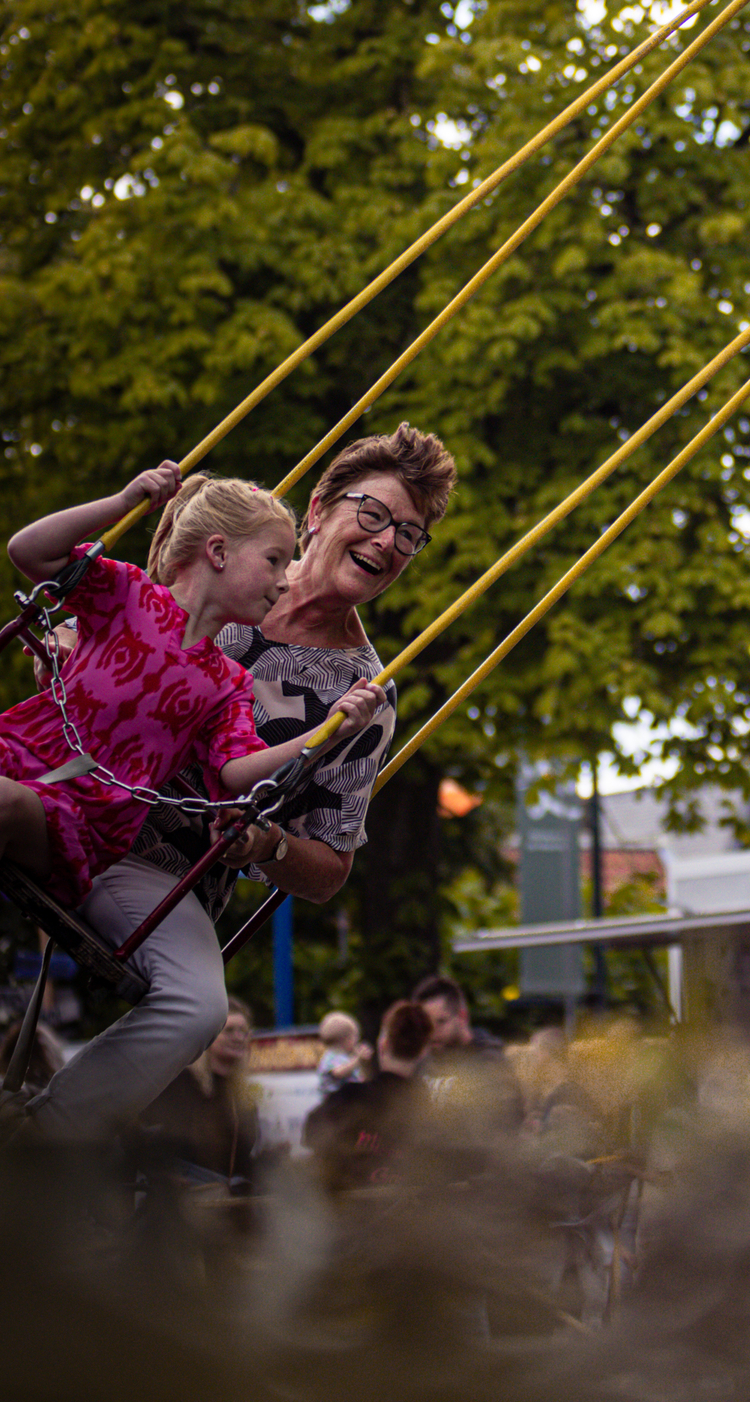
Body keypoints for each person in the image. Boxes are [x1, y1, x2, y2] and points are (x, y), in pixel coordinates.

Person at [28, 423, 456, 1142]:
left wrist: (264, 846)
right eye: (375, 515)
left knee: (196, 1009)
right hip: (74, 796)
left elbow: (329, 872)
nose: (388, 543)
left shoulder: (360, 698)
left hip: (165, 878)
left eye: (410, 535)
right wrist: (69, 661)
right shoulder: (230, 569)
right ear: (316, 509)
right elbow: (118, 634)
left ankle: (36, 1141)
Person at [1, 465, 383, 906]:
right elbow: (28, 551)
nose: (284, 581)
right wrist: (123, 503)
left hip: (79, 815)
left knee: (4, 804)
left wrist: (327, 732)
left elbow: (234, 771)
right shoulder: (127, 592)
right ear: (218, 552)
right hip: (17, 753)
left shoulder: (228, 683)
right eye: (273, 561)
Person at [303, 998, 434, 1188]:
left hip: (355, 1212)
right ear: (423, 1052)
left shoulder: (348, 1099)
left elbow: (312, 1133)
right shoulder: (433, 1111)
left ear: (383, 1045)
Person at [139, 998, 259, 1183]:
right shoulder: (178, 1084)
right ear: (207, 1036)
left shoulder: (243, 1096)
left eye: (243, 1032)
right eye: (229, 1031)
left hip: (226, 1201)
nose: (238, 1038)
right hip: (181, 1202)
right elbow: (145, 1143)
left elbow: (241, 1159)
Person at [413, 973, 524, 1137]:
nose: (431, 1033)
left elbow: (504, 1131)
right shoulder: (424, 1066)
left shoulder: (490, 1065)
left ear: (462, 1017)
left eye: (441, 1022)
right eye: (425, 1025)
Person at [315, 1010, 369, 1097]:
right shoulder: (332, 1057)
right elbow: (339, 1073)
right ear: (347, 1039)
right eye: (355, 1036)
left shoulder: (346, 1058)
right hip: (335, 1103)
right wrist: (357, 1060)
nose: (357, 1040)